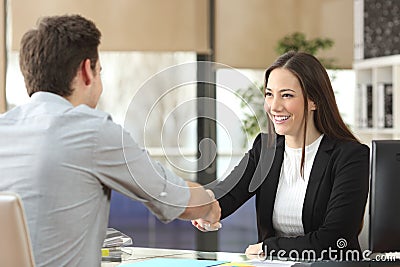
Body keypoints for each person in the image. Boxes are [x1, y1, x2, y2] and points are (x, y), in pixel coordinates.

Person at [0, 14, 220, 266]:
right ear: (86, 71)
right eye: (99, 71)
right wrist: (209, 203)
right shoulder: (92, 132)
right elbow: (180, 202)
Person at [193, 51, 369, 260]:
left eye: (286, 95)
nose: (274, 106)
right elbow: (230, 191)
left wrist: (269, 248)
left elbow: (334, 239)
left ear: (314, 101)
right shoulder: (265, 149)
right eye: (269, 94)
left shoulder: (350, 157)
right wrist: (209, 206)